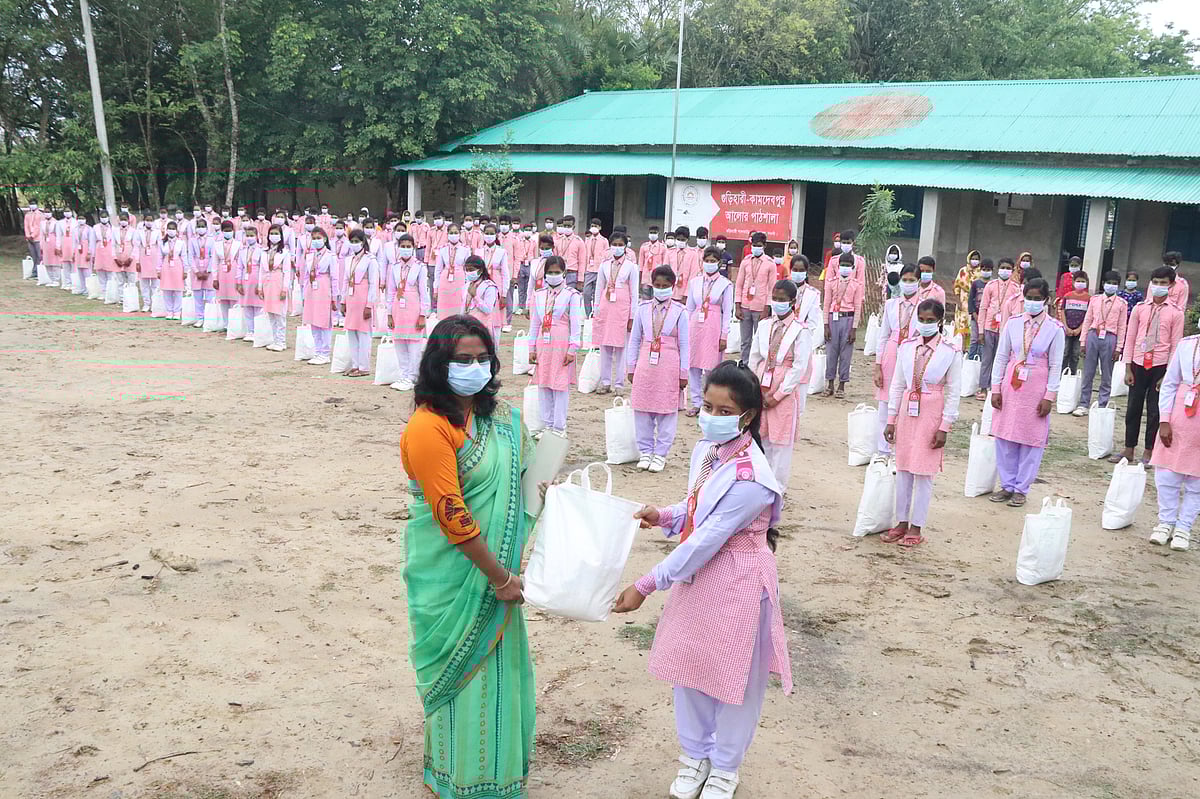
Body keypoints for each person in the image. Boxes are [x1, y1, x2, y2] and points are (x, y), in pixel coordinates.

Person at [611, 362, 792, 799]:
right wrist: (664, 515)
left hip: (740, 581)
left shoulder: (753, 479)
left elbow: (708, 538)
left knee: (735, 679)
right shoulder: (708, 451)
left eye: (724, 410)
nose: (711, 416)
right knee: (690, 667)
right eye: (707, 406)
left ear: (747, 416)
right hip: (701, 580)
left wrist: (646, 584)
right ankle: (695, 756)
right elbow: (698, 506)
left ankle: (725, 766)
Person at [399, 315, 534, 799]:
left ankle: (498, 775)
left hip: (496, 571)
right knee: (458, 675)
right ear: (439, 364)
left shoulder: (500, 420)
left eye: (482, 359)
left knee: (497, 671)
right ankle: (456, 777)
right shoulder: (428, 427)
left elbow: (528, 476)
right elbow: (451, 516)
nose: (474, 368)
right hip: (454, 576)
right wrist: (500, 578)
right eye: (462, 360)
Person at [882, 299, 961, 547]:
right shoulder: (907, 347)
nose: (925, 324)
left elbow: (954, 392)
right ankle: (901, 521)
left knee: (924, 471)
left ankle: (916, 526)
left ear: (940, 322)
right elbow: (897, 384)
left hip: (931, 411)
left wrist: (944, 426)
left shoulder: (950, 351)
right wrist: (891, 419)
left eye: (930, 320)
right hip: (907, 408)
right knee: (904, 468)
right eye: (922, 319)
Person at [987, 278, 1066, 508]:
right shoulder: (1013, 324)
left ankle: (1021, 488)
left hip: (1036, 387)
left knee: (1031, 439)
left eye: (1037, 298)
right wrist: (995, 388)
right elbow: (1001, 357)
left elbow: (1056, 365)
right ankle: (1007, 484)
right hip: (1011, 385)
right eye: (1029, 298)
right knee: (1006, 435)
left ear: (1046, 300)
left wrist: (1049, 396)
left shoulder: (1054, 329)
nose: (1032, 302)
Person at [1111, 267, 1185, 465]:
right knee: (1133, 408)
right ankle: (1128, 448)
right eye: (1156, 282)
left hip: (1160, 366)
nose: (1159, 286)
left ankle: (1149, 451)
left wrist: (1167, 375)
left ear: (1170, 285)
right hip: (1138, 362)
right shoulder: (1140, 308)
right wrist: (1128, 367)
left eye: (1163, 283)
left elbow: (1176, 346)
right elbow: (1131, 338)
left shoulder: (1176, 313)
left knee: (1154, 410)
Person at [748, 280, 813, 491]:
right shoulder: (765, 325)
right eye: (774, 299)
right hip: (762, 382)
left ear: (792, 302)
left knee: (780, 442)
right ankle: (761, 482)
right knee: (761, 436)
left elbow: (799, 367)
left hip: (783, 387)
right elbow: (754, 357)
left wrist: (777, 395)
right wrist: (753, 387)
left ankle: (777, 488)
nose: (777, 303)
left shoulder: (800, 330)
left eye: (782, 300)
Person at [628, 266, 690, 473]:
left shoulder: (680, 312)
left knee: (666, 411)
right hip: (646, 363)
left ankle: (661, 454)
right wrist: (631, 366)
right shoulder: (643, 309)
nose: (661, 289)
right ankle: (645, 451)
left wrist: (683, 372)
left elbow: (685, 344)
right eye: (657, 285)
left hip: (669, 365)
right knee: (642, 409)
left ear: (673, 286)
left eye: (665, 286)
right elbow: (634, 339)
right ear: (652, 285)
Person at [1148, 328, 1200, 551]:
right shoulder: (1187, 344)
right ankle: (1165, 522)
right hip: (1179, 418)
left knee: (1196, 482)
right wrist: (1164, 420)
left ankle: (1184, 527)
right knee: (1167, 474)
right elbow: (1169, 383)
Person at [529, 256, 583, 436]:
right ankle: (548, 425)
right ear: (545, 274)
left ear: (564, 273)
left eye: (557, 272)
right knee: (544, 383)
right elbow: (535, 323)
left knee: (559, 386)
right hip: (543, 344)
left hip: (561, 343)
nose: (553, 276)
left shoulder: (571, 295)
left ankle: (559, 427)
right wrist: (531, 348)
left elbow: (575, 324)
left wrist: (573, 348)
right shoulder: (538, 295)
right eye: (550, 272)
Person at [874, 265, 922, 455]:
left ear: (919, 282)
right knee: (885, 403)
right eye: (905, 280)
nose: (908, 284)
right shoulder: (891, 305)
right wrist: (878, 366)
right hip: (891, 353)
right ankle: (882, 449)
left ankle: (900, 451)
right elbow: (883, 335)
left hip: (912, 354)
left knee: (905, 400)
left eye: (912, 280)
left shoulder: (924, 306)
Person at [685, 247, 734, 416]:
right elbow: (689, 308)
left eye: (713, 261)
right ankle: (696, 402)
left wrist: (724, 335)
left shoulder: (725, 284)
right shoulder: (695, 282)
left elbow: (727, 311)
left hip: (714, 327)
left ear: (719, 263)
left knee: (711, 368)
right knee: (693, 366)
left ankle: (709, 403)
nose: (709, 263)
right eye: (707, 260)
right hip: (695, 326)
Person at [1073, 271, 1127, 416]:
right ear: (1103, 284)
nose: (1111, 286)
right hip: (1093, 335)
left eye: (1114, 284)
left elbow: (1122, 326)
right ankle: (1083, 404)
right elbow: (1087, 320)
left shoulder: (1122, 304)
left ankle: (1102, 404)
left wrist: (1119, 347)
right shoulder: (1095, 300)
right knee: (1088, 372)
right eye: (1109, 283)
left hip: (1110, 337)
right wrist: (1083, 341)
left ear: (1118, 286)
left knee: (1107, 373)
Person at [593, 233, 639, 396]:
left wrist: (632, 316)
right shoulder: (604, 265)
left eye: (620, 244)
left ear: (625, 247)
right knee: (604, 346)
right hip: (606, 308)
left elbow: (634, 293)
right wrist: (596, 309)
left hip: (622, 310)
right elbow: (599, 288)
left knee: (621, 347)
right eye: (614, 244)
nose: (617, 247)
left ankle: (619, 383)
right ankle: (605, 381)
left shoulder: (631, 267)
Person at [384, 232, 429, 386]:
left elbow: (423, 292)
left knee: (414, 344)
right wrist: (389, 314)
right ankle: (403, 374)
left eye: (408, 246)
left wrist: (422, 314)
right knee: (400, 343)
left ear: (413, 247)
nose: (405, 249)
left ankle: (412, 376)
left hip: (413, 308)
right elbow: (391, 291)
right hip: (398, 309)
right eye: (402, 246)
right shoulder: (394, 267)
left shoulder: (419, 267)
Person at [975, 257, 1022, 400]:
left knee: (1001, 359)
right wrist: (981, 331)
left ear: (1012, 270)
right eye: (1003, 268)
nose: (1005, 270)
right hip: (989, 326)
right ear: (998, 269)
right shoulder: (990, 285)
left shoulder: (1015, 288)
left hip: (1005, 329)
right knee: (987, 358)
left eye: (1008, 268)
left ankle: (996, 387)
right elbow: (983, 308)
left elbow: (1016, 310)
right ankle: (983, 387)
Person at [822, 252, 863, 398]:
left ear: (852, 267)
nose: (845, 268)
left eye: (848, 265)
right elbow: (826, 304)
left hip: (848, 318)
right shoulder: (831, 282)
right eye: (843, 265)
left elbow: (858, 307)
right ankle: (830, 383)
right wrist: (825, 325)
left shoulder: (856, 285)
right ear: (838, 266)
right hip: (833, 318)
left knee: (846, 354)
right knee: (831, 353)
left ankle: (842, 384)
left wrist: (854, 328)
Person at [339, 229, 378, 376]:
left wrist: (369, 305)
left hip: (363, 298)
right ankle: (355, 364)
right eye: (352, 241)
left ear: (363, 242)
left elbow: (373, 284)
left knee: (363, 334)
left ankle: (364, 367)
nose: (354, 244)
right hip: (351, 298)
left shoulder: (370, 260)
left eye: (357, 241)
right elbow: (345, 281)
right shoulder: (349, 260)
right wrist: (343, 301)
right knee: (351, 332)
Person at [735, 232, 775, 365]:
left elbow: (771, 288)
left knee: (760, 341)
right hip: (745, 306)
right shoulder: (746, 261)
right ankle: (744, 365)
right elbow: (739, 284)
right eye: (754, 245)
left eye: (759, 245)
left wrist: (766, 308)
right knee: (745, 341)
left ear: (764, 246)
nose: (756, 248)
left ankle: (758, 367)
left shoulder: (770, 263)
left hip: (760, 307)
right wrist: (737, 306)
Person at [301, 225, 338, 367]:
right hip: (312, 289)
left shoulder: (330, 256)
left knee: (324, 322)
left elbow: (334, 278)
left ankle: (325, 353)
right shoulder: (310, 256)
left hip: (324, 289)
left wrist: (334, 297)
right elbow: (306, 276)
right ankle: (317, 351)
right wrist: (304, 294)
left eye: (319, 238)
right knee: (313, 321)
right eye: (314, 238)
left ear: (325, 239)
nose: (316, 241)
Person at [256, 223, 293, 353]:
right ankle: (275, 340)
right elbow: (261, 270)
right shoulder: (264, 252)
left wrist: (285, 289)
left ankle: (281, 341)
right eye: (271, 233)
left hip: (278, 284)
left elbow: (287, 272)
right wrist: (260, 287)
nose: (274, 236)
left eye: (276, 233)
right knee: (271, 314)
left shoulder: (285, 253)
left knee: (280, 314)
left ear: (281, 236)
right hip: (267, 284)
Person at [475, 223, 510, 332]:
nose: (489, 236)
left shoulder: (501, 252)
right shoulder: (478, 251)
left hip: (496, 284)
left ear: (496, 235)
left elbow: (505, 273)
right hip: (481, 282)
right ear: (483, 234)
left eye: (491, 234)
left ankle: (495, 336)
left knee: (495, 314)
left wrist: (504, 294)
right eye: (487, 233)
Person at [462, 254, 501, 345]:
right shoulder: (467, 285)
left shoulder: (489, 286)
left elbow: (488, 309)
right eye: (466, 270)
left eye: (471, 270)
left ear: (480, 270)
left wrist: (475, 296)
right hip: (467, 326)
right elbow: (463, 306)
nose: (468, 272)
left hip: (482, 327)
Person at [435, 224, 471, 320]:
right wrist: (435, 288)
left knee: (458, 307)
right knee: (444, 308)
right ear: (447, 234)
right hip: (445, 280)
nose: (453, 235)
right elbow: (438, 270)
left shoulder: (465, 249)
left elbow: (468, 269)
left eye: (455, 233)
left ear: (459, 234)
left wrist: (468, 286)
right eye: (451, 233)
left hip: (459, 280)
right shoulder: (442, 249)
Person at [1057, 270, 1090, 373]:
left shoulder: (1089, 298)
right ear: (1073, 282)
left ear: (1086, 283)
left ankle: (1072, 374)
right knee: (1065, 352)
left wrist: (1079, 329)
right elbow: (1062, 311)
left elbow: (1088, 316)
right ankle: (1062, 374)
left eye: (1082, 281)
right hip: (1067, 330)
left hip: (1079, 332)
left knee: (1076, 354)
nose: (1080, 283)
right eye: (1078, 281)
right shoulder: (1067, 296)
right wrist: (1066, 327)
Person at [237, 225, 264, 340]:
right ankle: (250, 330)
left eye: (252, 235)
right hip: (245, 280)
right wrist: (238, 282)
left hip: (256, 278)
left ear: (256, 236)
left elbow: (263, 268)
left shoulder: (261, 250)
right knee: (247, 306)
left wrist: (260, 284)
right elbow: (239, 267)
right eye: (247, 236)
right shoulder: (243, 251)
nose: (249, 238)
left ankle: (258, 330)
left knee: (257, 306)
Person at [158, 220, 189, 320]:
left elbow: (184, 257)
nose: (171, 230)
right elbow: (159, 257)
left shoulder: (181, 243)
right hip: (166, 266)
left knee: (178, 290)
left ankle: (177, 311)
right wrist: (158, 270)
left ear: (176, 230)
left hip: (177, 266)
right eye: (169, 229)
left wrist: (185, 271)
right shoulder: (162, 243)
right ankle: (169, 311)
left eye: (173, 229)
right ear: (167, 230)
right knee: (167, 290)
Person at [953, 250, 981, 351]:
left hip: (974, 301)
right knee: (961, 323)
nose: (974, 260)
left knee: (972, 325)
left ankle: (968, 350)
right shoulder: (963, 271)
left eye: (977, 259)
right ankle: (959, 348)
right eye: (973, 258)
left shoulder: (980, 272)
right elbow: (956, 286)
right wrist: (958, 301)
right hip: (963, 300)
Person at [188, 217, 214, 328]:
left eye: (203, 226)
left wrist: (208, 271)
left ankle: (209, 319)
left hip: (208, 268)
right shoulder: (192, 240)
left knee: (209, 296)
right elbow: (190, 256)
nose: (201, 228)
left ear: (207, 228)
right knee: (198, 296)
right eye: (199, 226)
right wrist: (196, 271)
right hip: (197, 267)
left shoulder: (211, 240)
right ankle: (200, 318)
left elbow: (213, 256)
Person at [582, 217, 608, 314]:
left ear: (600, 228)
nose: (594, 228)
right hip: (589, 270)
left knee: (598, 294)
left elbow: (607, 256)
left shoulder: (604, 241)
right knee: (586, 293)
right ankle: (588, 313)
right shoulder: (587, 240)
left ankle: (596, 313)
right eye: (592, 226)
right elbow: (584, 255)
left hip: (599, 270)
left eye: (596, 226)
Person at [967, 258, 992, 361]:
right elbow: (970, 299)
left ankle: (981, 360)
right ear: (980, 269)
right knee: (974, 339)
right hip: (975, 317)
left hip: (987, 318)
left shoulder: (992, 284)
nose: (986, 271)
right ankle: (971, 360)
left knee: (983, 340)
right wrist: (974, 314)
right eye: (984, 269)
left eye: (988, 270)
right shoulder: (975, 283)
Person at [556, 215, 585, 290]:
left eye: (569, 226)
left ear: (573, 227)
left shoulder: (579, 241)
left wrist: (580, 280)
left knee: (570, 295)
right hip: (559, 272)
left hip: (572, 273)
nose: (566, 228)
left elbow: (582, 262)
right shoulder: (558, 240)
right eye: (564, 226)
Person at [675, 226, 701, 303]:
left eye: (683, 240)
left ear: (687, 239)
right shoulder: (670, 252)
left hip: (684, 294)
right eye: (678, 239)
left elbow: (693, 276)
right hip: (670, 292)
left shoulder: (693, 254)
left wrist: (686, 294)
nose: (680, 241)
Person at [638, 225, 664, 295]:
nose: (653, 234)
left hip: (657, 277)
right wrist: (640, 281)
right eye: (651, 232)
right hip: (645, 277)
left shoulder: (662, 247)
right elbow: (640, 264)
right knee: (645, 298)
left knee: (656, 297)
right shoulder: (644, 246)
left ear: (658, 233)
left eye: (654, 233)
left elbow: (664, 264)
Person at [23, 199, 43, 270]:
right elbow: (26, 226)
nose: (32, 205)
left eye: (33, 203)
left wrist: (33, 236)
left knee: (39, 255)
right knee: (33, 255)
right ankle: (34, 270)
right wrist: (28, 236)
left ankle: (38, 270)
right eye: (31, 204)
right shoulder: (27, 215)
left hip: (38, 238)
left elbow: (39, 226)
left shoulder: (41, 215)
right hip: (29, 238)